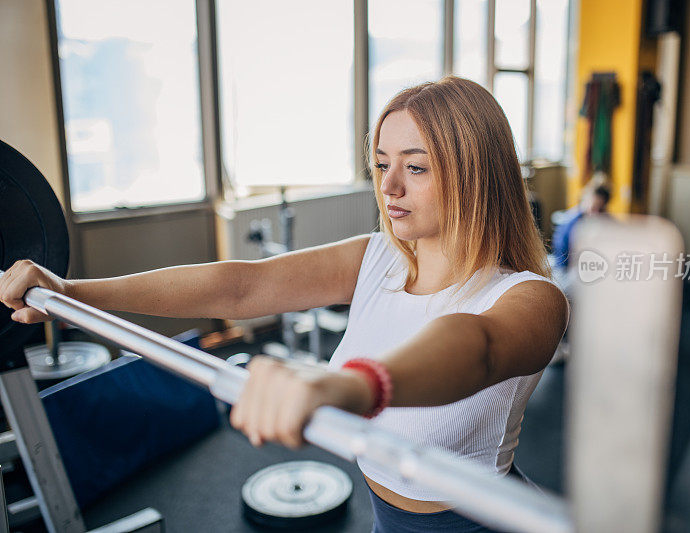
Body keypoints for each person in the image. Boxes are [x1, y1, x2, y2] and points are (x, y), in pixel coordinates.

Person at [0, 76, 569, 532]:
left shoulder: (529, 299)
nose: (389, 186)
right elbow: (240, 286)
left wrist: (350, 385)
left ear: (474, 175)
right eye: (380, 163)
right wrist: (76, 294)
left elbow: (476, 347)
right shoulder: (378, 258)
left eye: (416, 167)